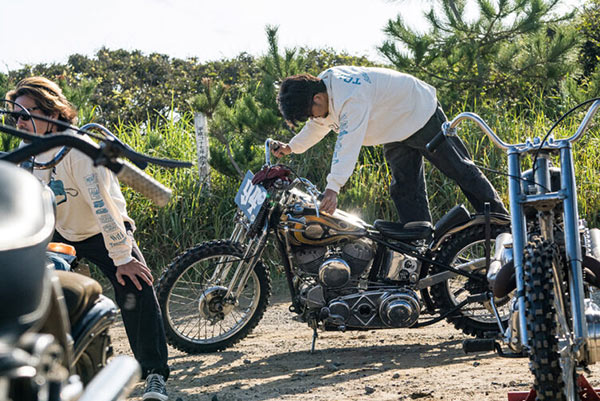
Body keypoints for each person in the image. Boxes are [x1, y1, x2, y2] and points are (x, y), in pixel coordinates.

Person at [6, 77, 170, 401]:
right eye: (15, 117)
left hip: (102, 230)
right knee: (37, 294)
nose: (20, 122)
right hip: (60, 230)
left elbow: (103, 208)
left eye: (26, 114)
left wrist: (123, 258)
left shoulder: (78, 149)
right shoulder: (27, 151)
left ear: (52, 111)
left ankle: (154, 374)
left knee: (137, 286)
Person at [273, 66, 508, 222]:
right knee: (404, 190)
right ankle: (420, 251)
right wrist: (291, 147)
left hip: (419, 112)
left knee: (461, 171)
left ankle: (504, 225)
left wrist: (333, 187)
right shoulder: (321, 89)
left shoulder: (350, 97)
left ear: (317, 98)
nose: (312, 119)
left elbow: (348, 143)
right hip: (394, 129)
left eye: (310, 113)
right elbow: (316, 127)